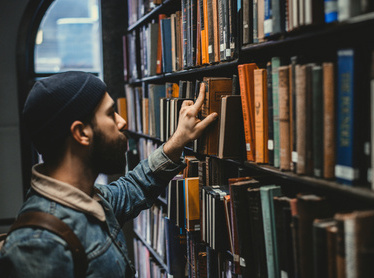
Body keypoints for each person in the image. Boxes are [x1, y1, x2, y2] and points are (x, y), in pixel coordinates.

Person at [0, 71, 217, 277]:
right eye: (110, 113)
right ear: (81, 133)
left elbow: (135, 187)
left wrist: (178, 140)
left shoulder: (90, 199)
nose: (122, 122)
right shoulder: (40, 244)